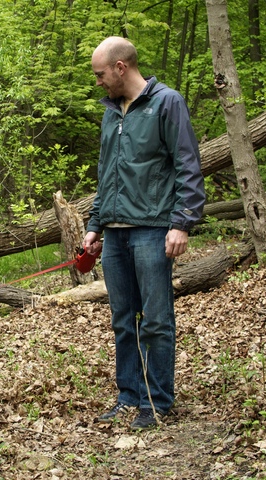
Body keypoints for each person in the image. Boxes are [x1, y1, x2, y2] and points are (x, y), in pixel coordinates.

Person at [83, 36, 205, 430]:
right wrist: (94, 225)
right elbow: (106, 174)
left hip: (153, 230)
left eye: (101, 74)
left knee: (155, 319)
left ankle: (156, 402)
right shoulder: (109, 112)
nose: (98, 81)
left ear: (121, 67)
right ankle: (129, 397)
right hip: (115, 235)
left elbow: (188, 164)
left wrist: (182, 221)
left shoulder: (168, 102)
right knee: (123, 319)